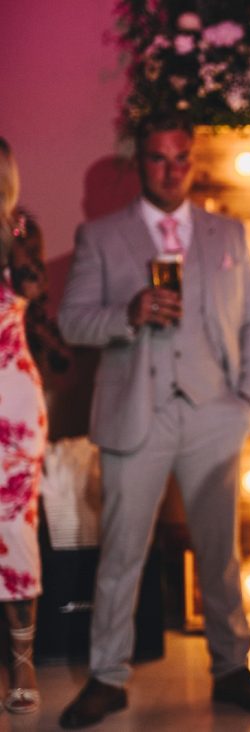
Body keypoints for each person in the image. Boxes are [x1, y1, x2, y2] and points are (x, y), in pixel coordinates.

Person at [57, 114, 250, 728]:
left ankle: (232, 667)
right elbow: (73, 322)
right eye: (159, 158)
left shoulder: (226, 234)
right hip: (137, 413)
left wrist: (248, 399)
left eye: (182, 157)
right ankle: (107, 676)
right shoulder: (101, 236)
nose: (172, 169)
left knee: (221, 552)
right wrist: (126, 313)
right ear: (140, 163)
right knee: (123, 552)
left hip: (215, 411)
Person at [0, 138, 48, 715]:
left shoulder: (19, 232)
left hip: (10, 400)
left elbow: (34, 285)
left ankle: (22, 659)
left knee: (15, 529)